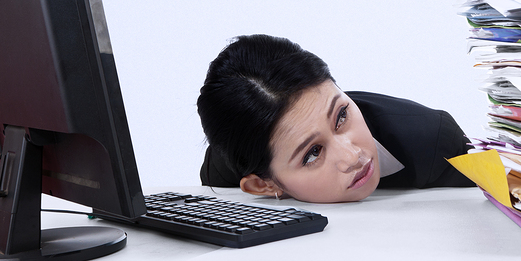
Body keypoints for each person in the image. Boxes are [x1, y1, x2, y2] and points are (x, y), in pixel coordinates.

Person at [197, 34, 474, 203]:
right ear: (263, 185)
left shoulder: (434, 140)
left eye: (342, 115)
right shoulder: (224, 171)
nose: (353, 156)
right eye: (313, 153)